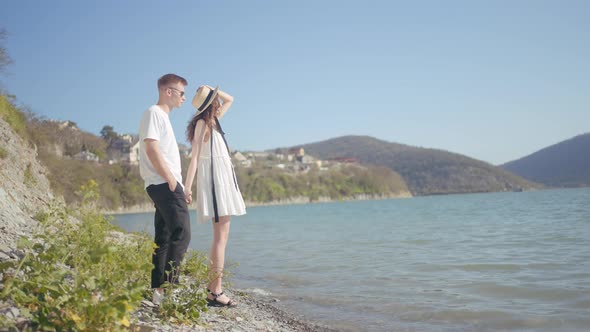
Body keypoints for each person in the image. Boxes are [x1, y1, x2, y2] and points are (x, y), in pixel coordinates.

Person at [184, 85, 246, 307]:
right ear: (210, 104)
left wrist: (212, 91)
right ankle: (216, 291)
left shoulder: (214, 121)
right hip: (215, 184)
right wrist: (187, 187)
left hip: (223, 182)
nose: (219, 102)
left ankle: (213, 288)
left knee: (222, 237)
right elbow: (194, 159)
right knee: (220, 238)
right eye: (214, 100)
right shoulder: (203, 124)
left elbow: (231, 98)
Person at [138, 73, 191, 305]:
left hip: (164, 183)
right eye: (181, 93)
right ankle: (170, 289)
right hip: (163, 182)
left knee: (165, 237)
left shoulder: (163, 118)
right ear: (167, 91)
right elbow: (151, 148)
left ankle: (158, 293)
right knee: (182, 233)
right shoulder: (154, 112)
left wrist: (179, 183)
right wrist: (170, 178)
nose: (184, 98)